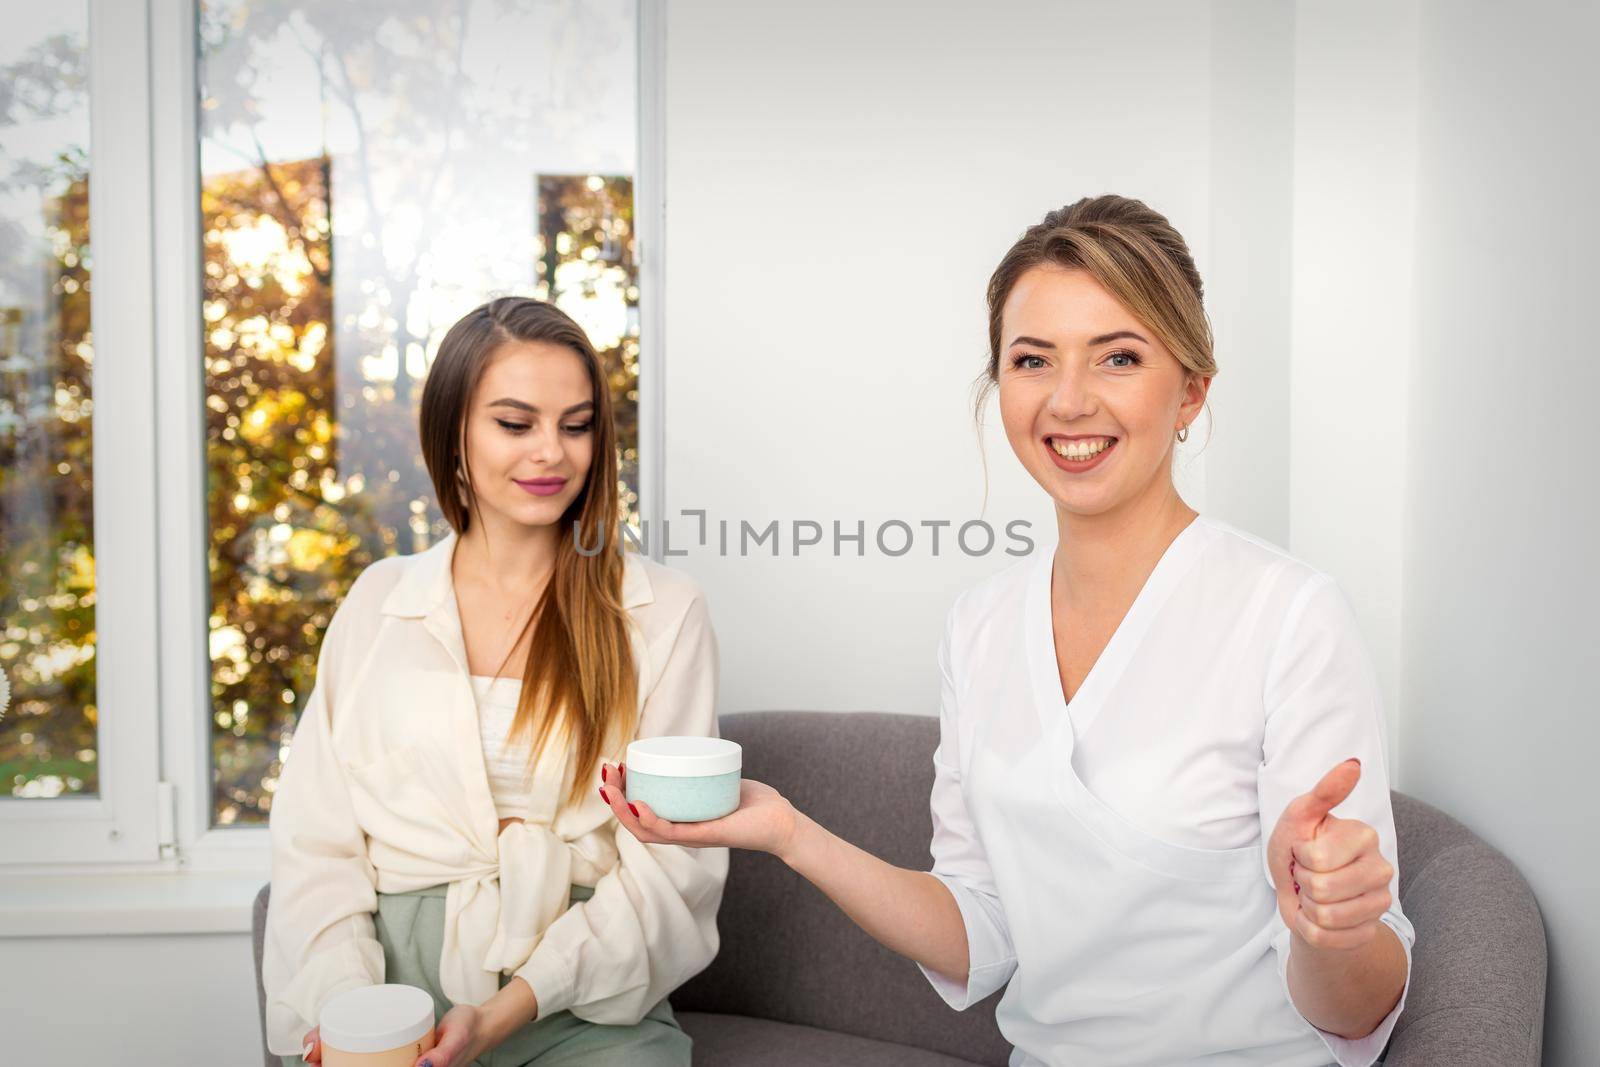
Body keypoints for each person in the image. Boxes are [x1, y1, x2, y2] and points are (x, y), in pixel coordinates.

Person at [601, 196, 1413, 1066]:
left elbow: (1356, 1010)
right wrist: (788, 832)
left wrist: (1334, 925)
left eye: (1119, 357)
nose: (1069, 400)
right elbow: (978, 932)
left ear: (1192, 390)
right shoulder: (980, 626)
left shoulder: (1288, 615)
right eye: (1033, 359)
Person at [262, 296, 726, 1067]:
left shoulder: (664, 613)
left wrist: (512, 1005)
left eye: (576, 425)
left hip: (582, 992)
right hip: (384, 993)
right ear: (453, 438)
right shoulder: (378, 603)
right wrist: (347, 1009)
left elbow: (677, 869)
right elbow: (314, 841)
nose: (552, 451)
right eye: (516, 424)